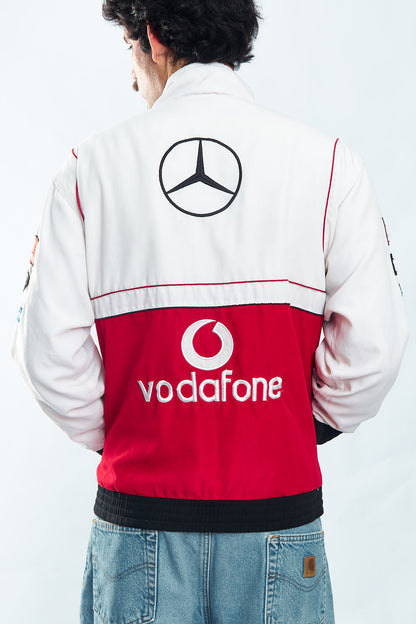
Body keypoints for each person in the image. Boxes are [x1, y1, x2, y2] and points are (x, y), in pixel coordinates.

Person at [11, 1, 409, 623]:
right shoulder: (330, 165)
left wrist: (140, 425)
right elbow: (373, 352)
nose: (131, 78)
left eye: (129, 51)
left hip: (140, 520)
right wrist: (290, 423)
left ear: (152, 37)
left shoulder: (87, 171)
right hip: (279, 517)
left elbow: (47, 357)